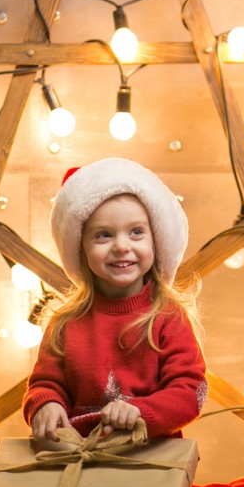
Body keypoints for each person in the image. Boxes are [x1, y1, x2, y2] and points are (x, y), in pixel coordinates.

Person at [23, 157, 208, 443]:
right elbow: (46, 383)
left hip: (148, 459)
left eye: (136, 232)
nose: (122, 246)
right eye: (103, 235)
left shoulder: (168, 318)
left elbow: (191, 392)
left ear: (155, 241)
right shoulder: (66, 324)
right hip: (79, 458)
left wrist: (140, 411)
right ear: (80, 247)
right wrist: (46, 404)